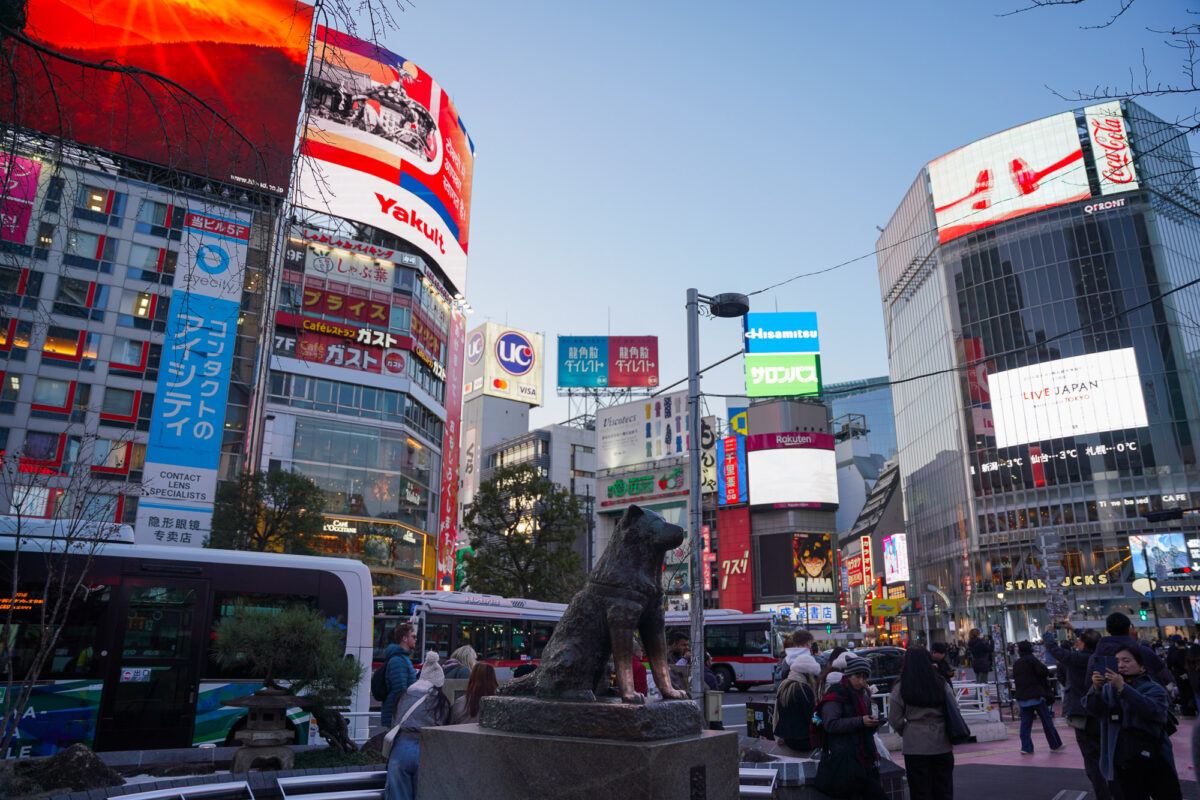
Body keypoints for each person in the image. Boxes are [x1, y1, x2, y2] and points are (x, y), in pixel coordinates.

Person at [1086, 645, 1182, 800]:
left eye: (1127, 661)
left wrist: (1123, 688)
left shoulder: (1153, 688)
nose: (1121, 665)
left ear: (1142, 666)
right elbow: (1093, 710)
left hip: (1154, 758)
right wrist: (1095, 689)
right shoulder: (1108, 689)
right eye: (1117, 661)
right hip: (1123, 761)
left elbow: (1152, 710)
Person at [1044, 624, 1109, 800]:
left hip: (1083, 713)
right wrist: (1074, 629)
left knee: (1091, 759)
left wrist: (1049, 633)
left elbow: (1054, 650)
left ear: (1083, 645)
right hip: (1102, 711)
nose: (1076, 643)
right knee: (1107, 753)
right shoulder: (1101, 656)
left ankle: (1103, 794)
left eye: (1079, 641)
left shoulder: (1078, 659)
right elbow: (1097, 641)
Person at [815, 655, 887, 800]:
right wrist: (861, 721)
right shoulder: (836, 695)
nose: (861, 681)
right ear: (848, 675)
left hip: (863, 758)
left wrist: (873, 724)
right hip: (844, 760)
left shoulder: (862, 694)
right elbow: (831, 724)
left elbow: (862, 723)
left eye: (865, 677)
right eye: (857, 676)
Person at [888, 648, 956, 800]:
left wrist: (905, 730)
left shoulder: (901, 687)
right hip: (941, 741)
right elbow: (954, 709)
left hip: (915, 742)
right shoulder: (941, 684)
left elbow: (894, 718)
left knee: (919, 790)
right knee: (943, 788)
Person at [385, 651, 451, 800]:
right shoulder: (441, 702)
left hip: (400, 750)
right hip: (426, 751)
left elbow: (394, 723)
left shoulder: (403, 695)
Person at [1087, 612, 1173, 691]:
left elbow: (1089, 685)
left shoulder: (1095, 657)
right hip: (1143, 698)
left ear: (1107, 630)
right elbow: (1166, 677)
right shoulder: (1144, 651)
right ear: (1129, 628)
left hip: (1109, 704)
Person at [1013, 640, 1065, 755]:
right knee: (1047, 722)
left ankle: (1026, 747)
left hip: (1023, 697)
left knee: (1025, 724)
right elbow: (1044, 672)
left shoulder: (1017, 663)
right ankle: (1055, 744)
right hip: (1036, 695)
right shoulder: (1032, 660)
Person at [774, 651, 821, 752]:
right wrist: (823, 724)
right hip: (803, 739)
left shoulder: (784, 685)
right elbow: (812, 717)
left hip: (787, 737)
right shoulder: (804, 689)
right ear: (808, 673)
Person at [380, 623, 418, 728]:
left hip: (399, 715)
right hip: (397, 716)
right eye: (413, 636)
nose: (416, 639)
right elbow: (400, 691)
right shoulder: (398, 661)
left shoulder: (403, 658)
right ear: (405, 638)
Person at [1166, 636, 1195, 717]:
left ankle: (1186, 709)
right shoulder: (1189, 651)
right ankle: (1192, 707)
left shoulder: (1175, 654)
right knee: (1191, 691)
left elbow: (1170, 664)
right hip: (1190, 674)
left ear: (1177, 644)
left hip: (1179, 674)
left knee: (1182, 692)